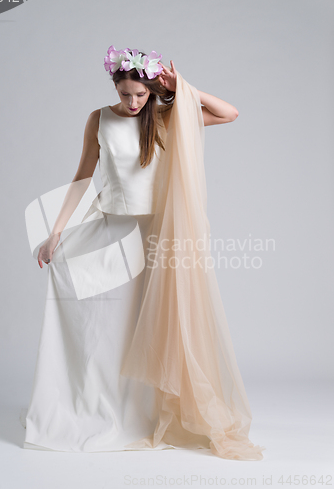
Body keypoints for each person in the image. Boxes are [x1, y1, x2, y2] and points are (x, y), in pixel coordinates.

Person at [22, 46, 266, 461]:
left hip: (158, 236)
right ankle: (103, 406)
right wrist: (55, 232)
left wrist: (180, 88)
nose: (133, 103)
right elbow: (83, 176)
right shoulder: (99, 119)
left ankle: (151, 411)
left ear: (151, 90)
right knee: (109, 324)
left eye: (140, 95)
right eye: (125, 95)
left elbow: (230, 113)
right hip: (113, 229)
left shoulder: (168, 116)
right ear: (114, 87)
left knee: (155, 325)